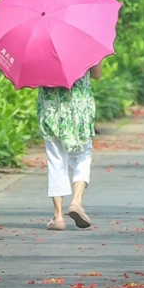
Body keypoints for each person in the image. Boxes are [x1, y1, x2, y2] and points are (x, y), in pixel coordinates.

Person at [38, 60, 102, 229]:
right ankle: (76, 201)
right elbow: (97, 75)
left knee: (56, 161)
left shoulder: (42, 46)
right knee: (82, 156)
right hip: (79, 109)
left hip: (51, 110)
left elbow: (35, 77)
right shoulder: (86, 43)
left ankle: (58, 217)